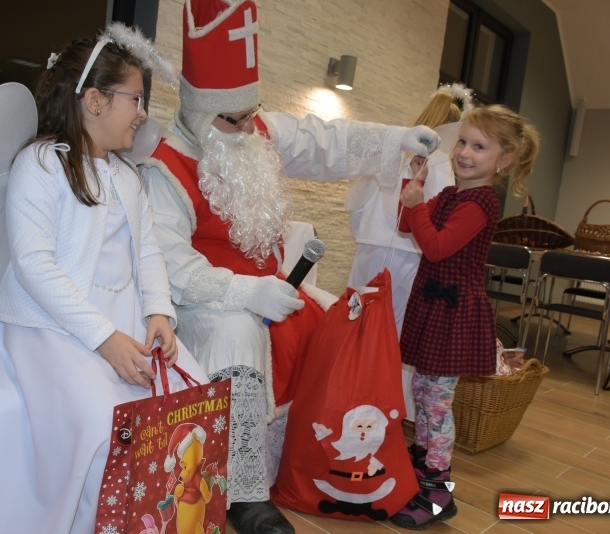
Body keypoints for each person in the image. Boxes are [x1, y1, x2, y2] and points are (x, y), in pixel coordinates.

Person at [139, 1, 439, 533]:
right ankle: (244, 494)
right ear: (198, 112)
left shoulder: (260, 133)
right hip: (205, 304)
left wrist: (396, 140)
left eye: (252, 111)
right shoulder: (166, 169)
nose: (248, 126)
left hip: (274, 289)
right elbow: (174, 267)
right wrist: (246, 294)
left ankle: (317, 463)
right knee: (239, 335)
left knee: (340, 323)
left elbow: (328, 141)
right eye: (232, 119)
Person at [0, 24, 208, 534]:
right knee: (100, 423)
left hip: (121, 324)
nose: (141, 113)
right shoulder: (40, 165)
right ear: (93, 100)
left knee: (185, 403)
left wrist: (158, 310)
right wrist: (105, 340)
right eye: (135, 99)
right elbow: (36, 266)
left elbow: (148, 253)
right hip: (48, 331)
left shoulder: (128, 178)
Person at [391, 104, 539, 530]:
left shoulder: (481, 202)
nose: (464, 152)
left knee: (436, 402)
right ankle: (423, 474)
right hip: (435, 306)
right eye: (463, 142)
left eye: (479, 146)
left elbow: (436, 247)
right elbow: (407, 225)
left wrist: (419, 207)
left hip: (454, 310)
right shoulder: (453, 194)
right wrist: (414, 186)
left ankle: (438, 491)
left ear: (504, 160)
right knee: (423, 391)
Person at [346, 83, 473, 422]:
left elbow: (359, 206)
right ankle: (385, 407)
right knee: (394, 328)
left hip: (370, 245)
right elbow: (433, 218)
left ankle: (349, 393)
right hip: (406, 251)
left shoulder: (397, 148)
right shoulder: (443, 163)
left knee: (357, 316)